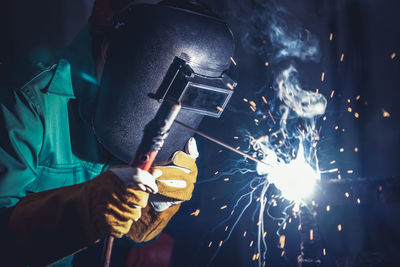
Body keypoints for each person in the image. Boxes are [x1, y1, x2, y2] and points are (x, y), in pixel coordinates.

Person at [0, 0, 235, 266]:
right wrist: (84, 207)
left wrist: (156, 203)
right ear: (114, 49)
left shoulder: (132, 110)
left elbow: (130, 232)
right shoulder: (24, 98)